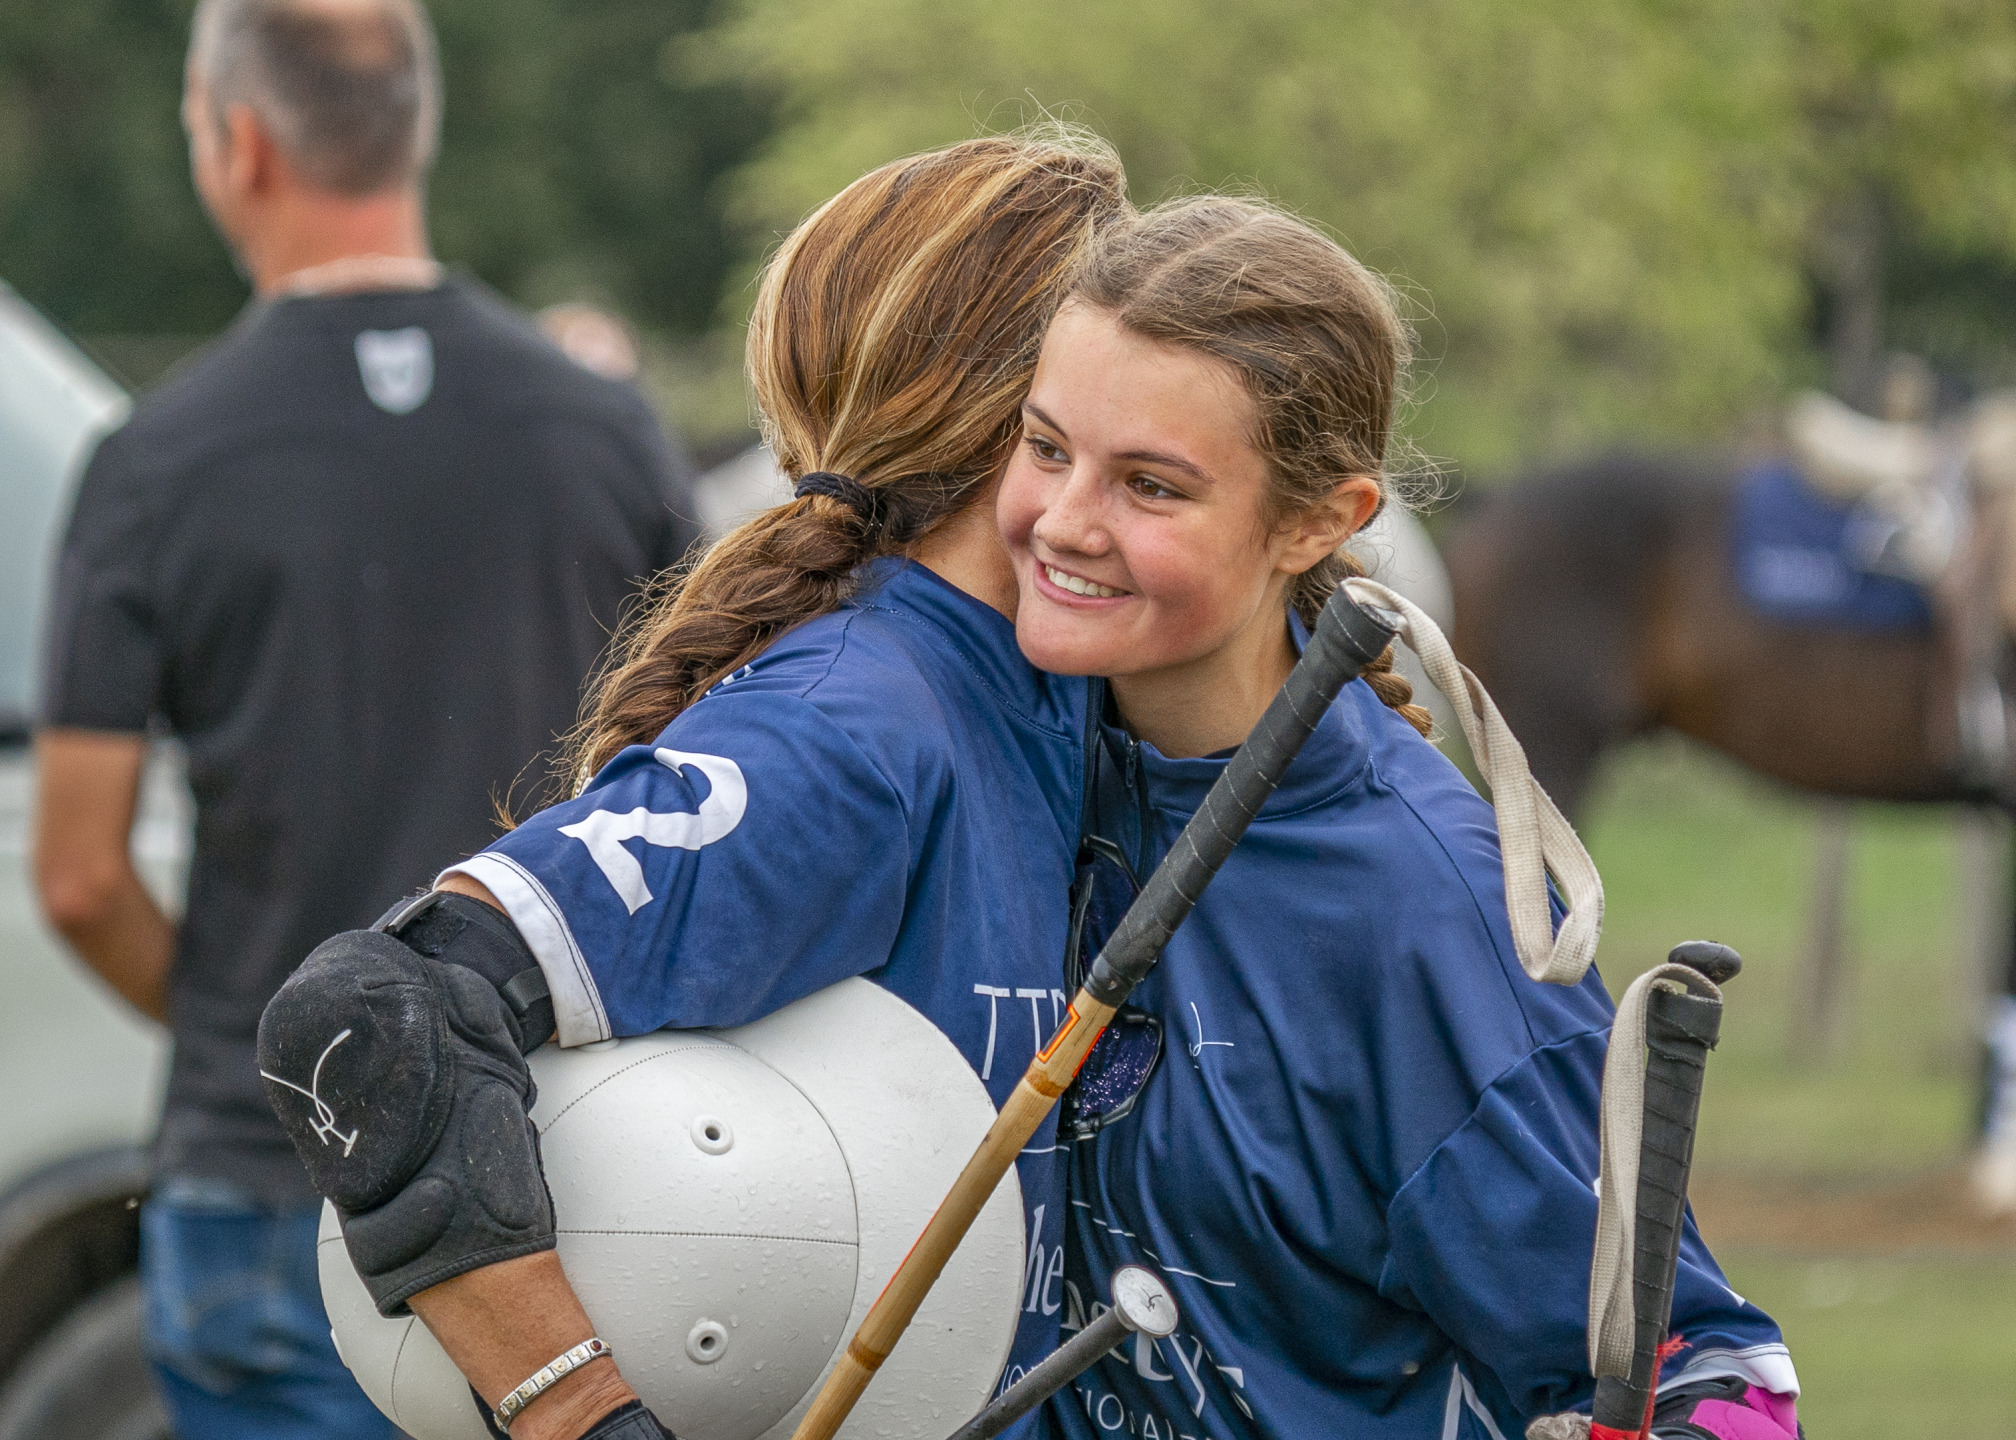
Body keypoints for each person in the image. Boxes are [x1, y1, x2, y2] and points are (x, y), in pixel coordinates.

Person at [256, 132, 1131, 1440]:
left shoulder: (1056, 693)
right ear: (1024, 404)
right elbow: (369, 1018)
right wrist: (579, 1414)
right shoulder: (856, 725)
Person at [996, 198, 1803, 1439]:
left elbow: (1718, 1385)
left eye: (1150, 485)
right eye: (1046, 447)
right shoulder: (991, 745)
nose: (1063, 520)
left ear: (1320, 522)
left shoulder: (1432, 911)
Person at [32, 0, 698, 1434]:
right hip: (561, 1182)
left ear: (241, 144)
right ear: (419, 127)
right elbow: (687, 779)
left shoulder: (157, 460)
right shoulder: (605, 432)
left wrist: (284, 1047)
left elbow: (81, 873)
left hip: (268, 1180)